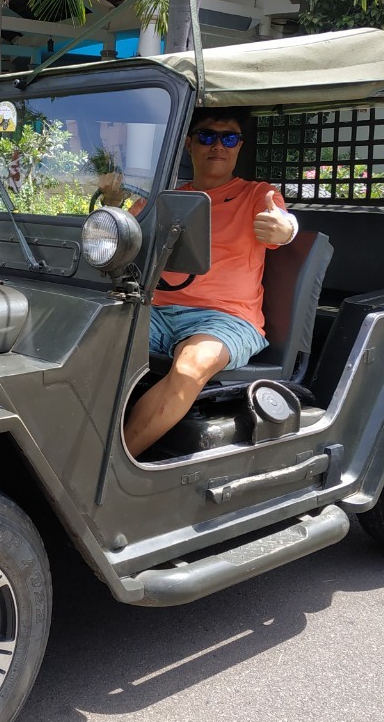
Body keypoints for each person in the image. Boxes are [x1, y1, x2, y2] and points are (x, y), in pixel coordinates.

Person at [122, 106, 298, 458]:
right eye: (207, 136)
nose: (217, 145)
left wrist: (285, 228)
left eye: (228, 138)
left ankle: (112, 468)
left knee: (193, 363)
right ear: (190, 144)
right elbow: (121, 235)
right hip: (157, 311)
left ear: (238, 146)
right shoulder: (167, 199)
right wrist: (114, 205)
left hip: (226, 318)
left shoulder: (257, 195)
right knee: (93, 338)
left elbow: (282, 224)